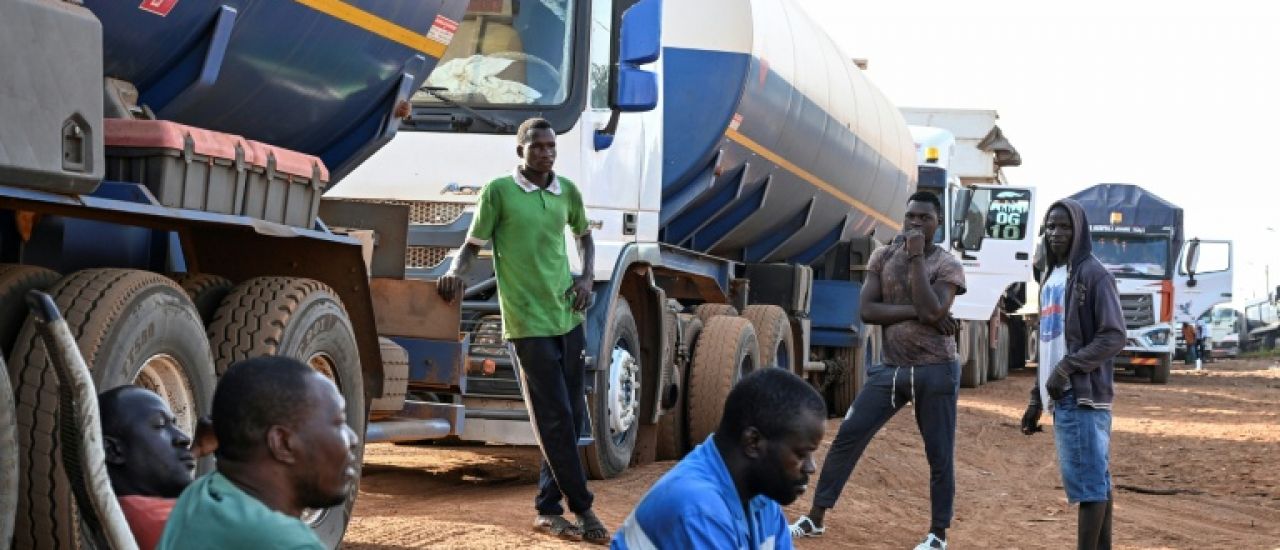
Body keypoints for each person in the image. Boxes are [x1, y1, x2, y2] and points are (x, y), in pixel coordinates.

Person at [437, 117, 607, 543]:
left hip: (567, 316)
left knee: (568, 418)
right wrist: (454, 275)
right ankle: (583, 510)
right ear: (521, 152)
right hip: (527, 322)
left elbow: (584, 236)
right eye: (537, 147)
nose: (546, 153)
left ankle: (548, 508)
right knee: (553, 417)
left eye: (551, 147)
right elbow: (471, 247)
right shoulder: (499, 192)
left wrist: (586, 278)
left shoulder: (566, 190)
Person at [790, 191, 966, 550]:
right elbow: (869, 311)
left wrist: (916, 259)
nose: (915, 224)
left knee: (939, 454)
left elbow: (934, 309)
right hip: (891, 368)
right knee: (848, 436)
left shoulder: (947, 265)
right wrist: (920, 312)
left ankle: (938, 535)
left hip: (935, 370)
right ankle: (816, 517)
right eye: (911, 217)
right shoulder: (882, 256)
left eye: (924, 219)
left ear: (938, 224)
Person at [611, 368, 826, 550]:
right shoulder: (698, 508)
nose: (811, 467)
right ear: (753, 443)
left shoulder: (762, 500)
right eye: (801, 454)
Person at [157, 356, 358, 550]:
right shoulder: (286, 543)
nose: (353, 439)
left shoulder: (201, 495)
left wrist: (199, 449)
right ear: (282, 443)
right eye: (338, 422)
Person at [1020, 199, 1125, 550]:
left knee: (1089, 487)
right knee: (1097, 483)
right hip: (1061, 396)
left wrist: (1067, 368)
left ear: (1079, 230)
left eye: (1064, 226)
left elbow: (1113, 336)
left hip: (1083, 396)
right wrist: (1037, 399)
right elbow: (1049, 343)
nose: (1056, 233)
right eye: (1050, 226)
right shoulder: (1050, 276)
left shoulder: (1094, 274)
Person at [100, 386, 215, 550]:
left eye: (175, 425)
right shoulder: (161, 523)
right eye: (160, 425)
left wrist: (194, 452)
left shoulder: (131, 513)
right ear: (113, 451)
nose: (184, 438)